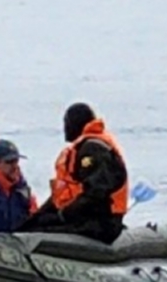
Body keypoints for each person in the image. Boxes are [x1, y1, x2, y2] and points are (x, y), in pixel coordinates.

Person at [18, 102, 128, 243]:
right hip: (83, 217)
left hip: (101, 223)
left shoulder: (93, 150)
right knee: (36, 224)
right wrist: (36, 217)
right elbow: (62, 194)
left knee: (37, 232)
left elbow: (96, 193)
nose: (65, 128)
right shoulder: (82, 149)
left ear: (77, 123)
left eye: (67, 122)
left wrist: (64, 214)